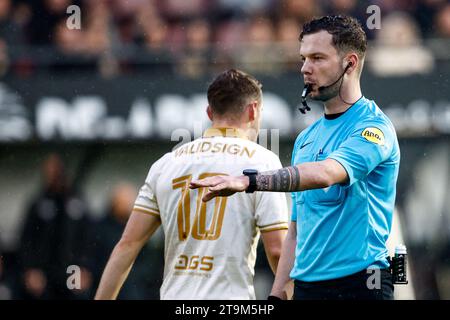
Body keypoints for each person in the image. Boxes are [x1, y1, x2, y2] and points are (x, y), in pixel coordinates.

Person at [190, 15, 400, 300]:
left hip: (361, 284)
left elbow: (326, 174)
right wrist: (278, 292)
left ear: (350, 63)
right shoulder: (306, 139)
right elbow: (296, 231)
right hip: (307, 287)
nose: (305, 68)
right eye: (303, 58)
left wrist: (248, 181)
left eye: (317, 58)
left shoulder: (373, 128)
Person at [95, 69, 289, 300]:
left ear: (209, 112)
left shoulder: (165, 164)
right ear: (253, 110)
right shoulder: (263, 162)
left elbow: (126, 246)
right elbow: (277, 251)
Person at [18, 153, 94, 299]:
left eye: (55, 170)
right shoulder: (38, 203)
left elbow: (88, 238)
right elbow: (26, 239)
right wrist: (30, 269)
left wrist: (85, 267)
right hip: (43, 271)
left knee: (76, 295)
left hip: (73, 269)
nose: (52, 175)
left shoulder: (77, 202)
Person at [90, 183, 163, 299]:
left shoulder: (138, 229)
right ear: (114, 203)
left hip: (135, 290)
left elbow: (148, 263)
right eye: (126, 201)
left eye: (132, 200)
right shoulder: (99, 229)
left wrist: (135, 274)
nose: (130, 204)